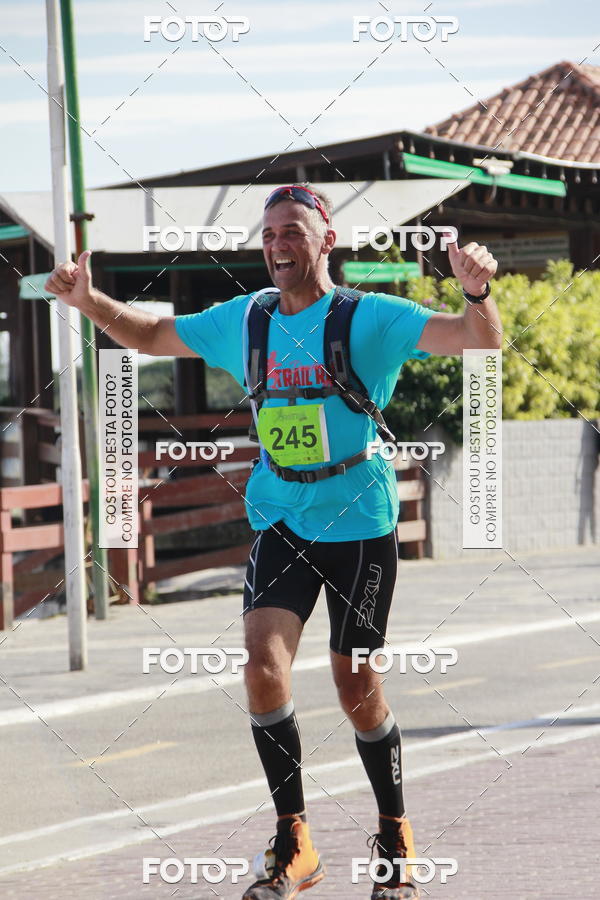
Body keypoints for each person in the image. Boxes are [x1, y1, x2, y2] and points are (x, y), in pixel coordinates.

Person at [45, 183, 501, 899]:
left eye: (292, 231)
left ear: (326, 241)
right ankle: (296, 843)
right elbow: (150, 335)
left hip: (358, 522)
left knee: (356, 685)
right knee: (261, 665)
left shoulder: (367, 318)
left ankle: (396, 832)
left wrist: (476, 295)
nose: (278, 244)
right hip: (281, 513)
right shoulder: (247, 321)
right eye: (268, 235)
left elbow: (480, 342)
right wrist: (86, 302)